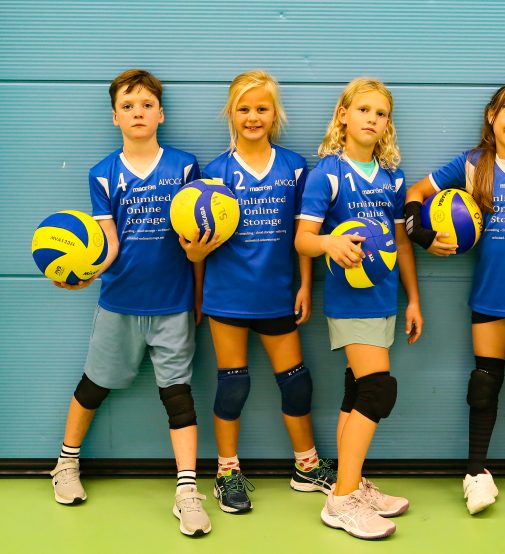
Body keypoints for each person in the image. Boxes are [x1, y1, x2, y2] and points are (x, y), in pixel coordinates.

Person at [49, 69, 211, 536]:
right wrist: (85, 275)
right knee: (94, 386)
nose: (137, 112)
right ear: (115, 117)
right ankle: (65, 463)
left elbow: (195, 239)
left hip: (173, 304)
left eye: (146, 104)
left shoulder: (184, 167)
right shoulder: (103, 174)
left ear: (161, 114)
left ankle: (186, 492)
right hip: (119, 302)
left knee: (178, 396)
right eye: (127, 106)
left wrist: (198, 294)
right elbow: (109, 243)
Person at [405, 83, 505, 515]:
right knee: (484, 384)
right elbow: (414, 194)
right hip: (490, 294)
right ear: (492, 116)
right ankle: (476, 473)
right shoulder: (473, 163)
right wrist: (421, 234)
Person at [181, 70, 336, 514]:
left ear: (275, 115)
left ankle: (306, 466)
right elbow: (196, 246)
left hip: (278, 294)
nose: (253, 117)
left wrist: (305, 284)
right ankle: (227, 472)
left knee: (297, 383)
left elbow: (305, 233)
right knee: (233, 385)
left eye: (262, 109)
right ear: (230, 114)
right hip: (227, 295)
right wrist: (197, 279)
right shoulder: (215, 173)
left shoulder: (295, 167)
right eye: (244, 109)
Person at [295, 77, 423, 540]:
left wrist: (414, 298)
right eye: (364, 110)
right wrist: (329, 243)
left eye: (381, 113)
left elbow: (402, 244)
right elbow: (303, 239)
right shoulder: (327, 173)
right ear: (343, 115)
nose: (372, 119)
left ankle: (353, 484)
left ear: (388, 124)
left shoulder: (392, 177)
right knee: (377, 390)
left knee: (356, 391)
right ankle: (343, 499)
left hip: (384, 298)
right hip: (349, 300)